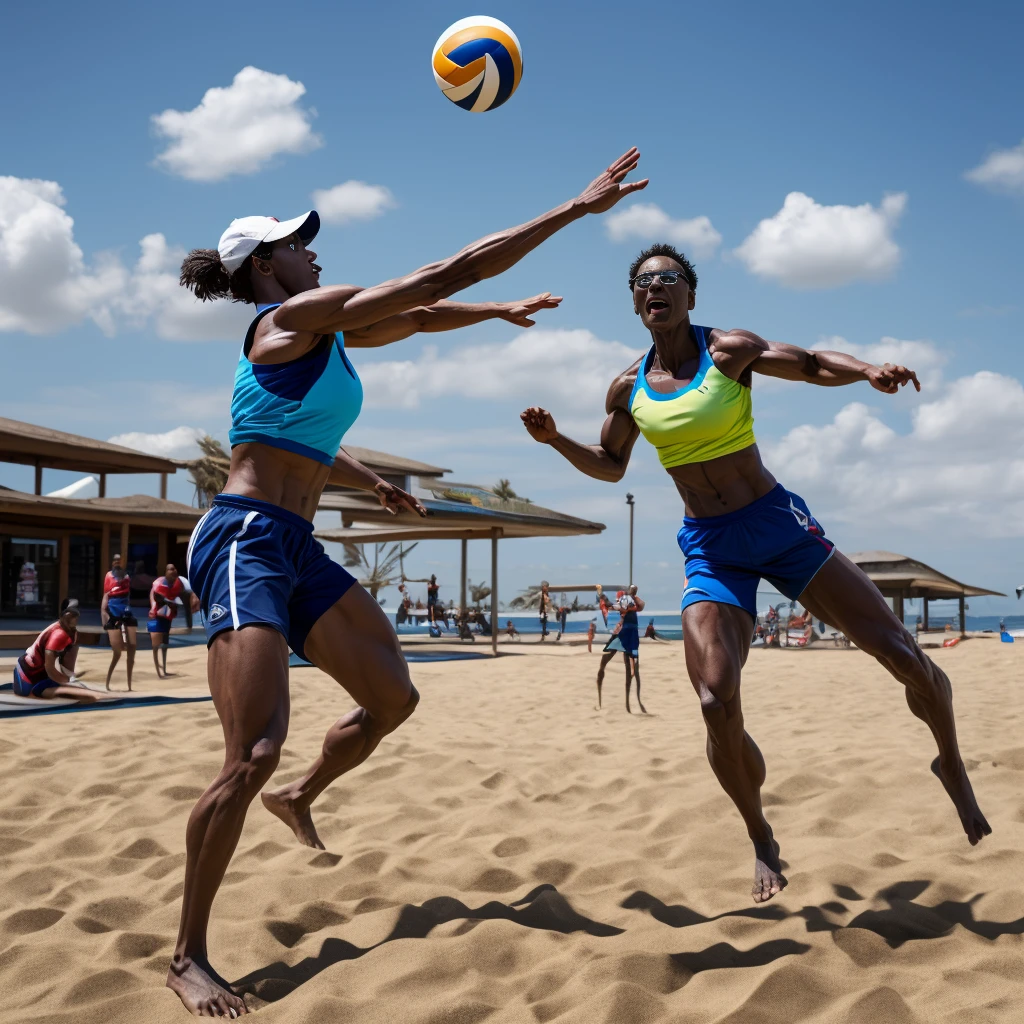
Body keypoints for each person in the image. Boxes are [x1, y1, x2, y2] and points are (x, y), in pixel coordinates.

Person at [169, 148, 646, 1016]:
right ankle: (187, 955)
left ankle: (301, 795)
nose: (314, 249)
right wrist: (574, 210)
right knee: (251, 751)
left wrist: (490, 314)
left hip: (297, 543)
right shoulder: (293, 316)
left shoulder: (318, 339)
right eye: (297, 244)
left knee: (392, 697)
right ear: (266, 268)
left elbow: (421, 316)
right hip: (241, 541)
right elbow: (438, 273)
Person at [522, 241, 989, 905]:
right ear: (634, 302)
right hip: (711, 546)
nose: (656, 287)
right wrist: (555, 441)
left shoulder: (729, 351)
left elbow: (808, 363)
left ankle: (952, 762)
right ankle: (761, 836)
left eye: (669, 278)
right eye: (644, 282)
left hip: (777, 526)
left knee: (901, 653)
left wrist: (865, 372)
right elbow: (609, 461)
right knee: (715, 700)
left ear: (690, 295)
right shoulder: (627, 386)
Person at [13, 599, 102, 703]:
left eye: (75, 615)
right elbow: (49, 667)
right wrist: (64, 682)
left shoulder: (71, 633)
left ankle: (68, 682)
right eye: (71, 615)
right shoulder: (58, 634)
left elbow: (66, 659)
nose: (74, 619)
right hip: (30, 674)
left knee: (72, 648)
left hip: (42, 672)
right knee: (65, 691)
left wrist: (67, 678)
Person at [594, 585, 647, 713]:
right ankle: (604, 702)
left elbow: (641, 604)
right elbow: (610, 604)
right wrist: (601, 595)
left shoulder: (633, 605)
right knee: (606, 665)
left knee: (632, 670)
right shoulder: (628, 605)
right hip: (623, 633)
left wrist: (632, 596)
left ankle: (631, 704)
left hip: (626, 635)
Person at [148, 564, 198, 679]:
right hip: (157, 615)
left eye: (175, 569)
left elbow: (186, 603)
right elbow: (156, 598)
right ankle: (159, 673)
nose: (173, 571)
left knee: (165, 642)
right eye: (170, 569)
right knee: (156, 645)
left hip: (168, 615)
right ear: (165, 572)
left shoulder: (179, 584)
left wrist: (189, 625)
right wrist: (168, 603)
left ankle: (164, 669)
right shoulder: (159, 585)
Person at [101, 553, 137, 690]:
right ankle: (108, 682)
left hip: (126, 611)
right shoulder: (109, 576)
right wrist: (105, 620)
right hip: (113, 612)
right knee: (117, 652)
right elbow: (105, 596)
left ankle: (129, 685)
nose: (116, 562)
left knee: (132, 647)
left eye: (118, 560)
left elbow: (127, 594)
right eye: (114, 560)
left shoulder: (126, 576)